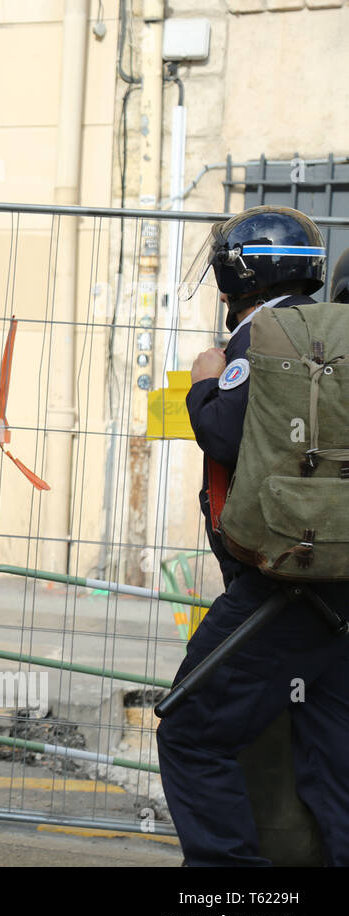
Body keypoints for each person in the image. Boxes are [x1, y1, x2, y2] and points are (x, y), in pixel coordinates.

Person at [158, 205, 349, 865]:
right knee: (332, 755)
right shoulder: (338, 335)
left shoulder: (260, 337)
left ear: (234, 276)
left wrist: (204, 378)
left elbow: (221, 432)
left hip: (280, 583)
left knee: (188, 728)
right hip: (342, 579)